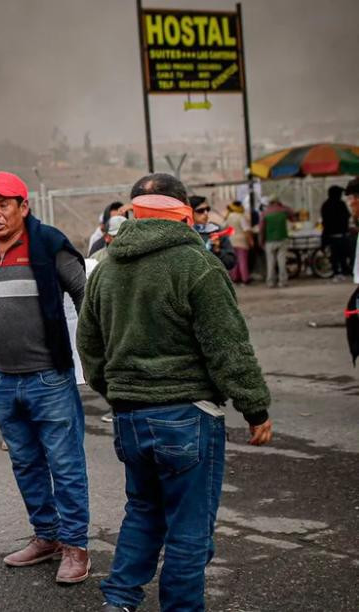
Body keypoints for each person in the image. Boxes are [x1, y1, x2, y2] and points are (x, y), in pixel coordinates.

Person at [77, 173, 273, 612]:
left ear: (133, 214)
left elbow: (88, 344)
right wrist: (255, 407)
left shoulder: (105, 267)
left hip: (130, 416)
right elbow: (227, 345)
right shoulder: (197, 265)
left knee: (144, 513)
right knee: (188, 531)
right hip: (187, 415)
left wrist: (118, 392)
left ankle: (119, 602)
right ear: (184, 213)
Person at [0, 171, 90, 585]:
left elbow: (86, 294)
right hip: (5, 381)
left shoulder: (48, 244)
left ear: (23, 207)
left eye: (3, 205)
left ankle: (76, 546)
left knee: (65, 465)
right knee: (25, 464)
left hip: (50, 380)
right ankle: (47, 538)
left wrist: (94, 347)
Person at [190, 196, 236, 271]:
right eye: (200, 211)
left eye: (207, 209)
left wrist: (217, 251)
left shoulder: (217, 230)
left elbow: (230, 262)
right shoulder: (185, 233)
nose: (206, 213)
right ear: (190, 212)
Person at [259, 198, 296, 288]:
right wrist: (283, 206)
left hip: (270, 241)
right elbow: (292, 214)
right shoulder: (283, 211)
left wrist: (261, 241)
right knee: (282, 261)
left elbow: (261, 229)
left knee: (270, 262)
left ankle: (270, 282)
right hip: (282, 239)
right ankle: (282, 281)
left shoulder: (265, 213)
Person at [322, 185, 352, 281]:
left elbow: (324, 221)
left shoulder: (325, 205)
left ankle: (337, 272)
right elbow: (347, 216)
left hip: (331, 235)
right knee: (343, 255)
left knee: (334, 256)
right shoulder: (340, 204)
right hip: (342, 235)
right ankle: (344, 270)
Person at [224, 200, 253, 284]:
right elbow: (246, 230)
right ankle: (245, 278)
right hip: (241, 241)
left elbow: (224, 228)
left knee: (234, 261)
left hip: (231, 241)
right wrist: (250, 241)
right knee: (242, 260)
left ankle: (235, 278)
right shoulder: (241, 216)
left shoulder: (228, 216)